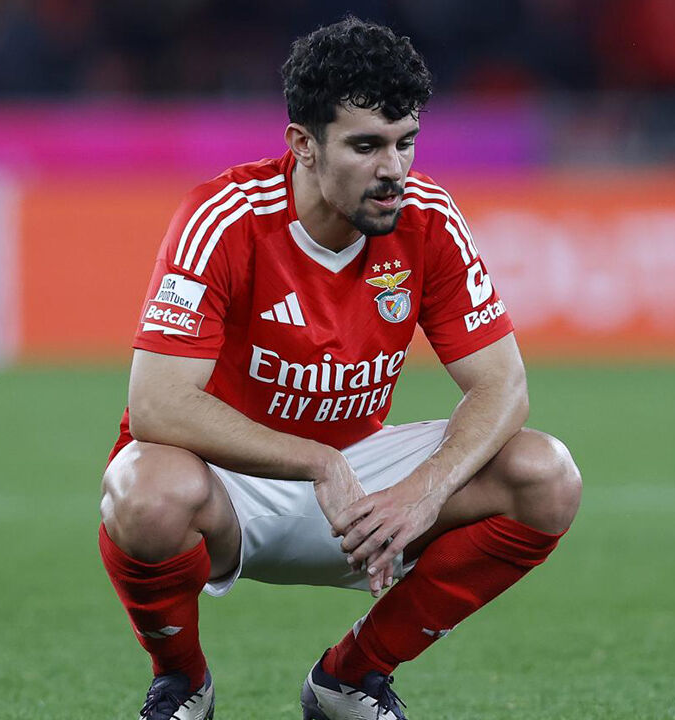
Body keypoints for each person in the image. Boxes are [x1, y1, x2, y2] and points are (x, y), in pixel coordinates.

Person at [97, 16, 582, 720]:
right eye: (365, 145)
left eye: (405, 142)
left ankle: (350, 680)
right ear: (303, 144)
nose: (393, 170)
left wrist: (424, 489)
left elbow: (503, 385)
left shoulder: (429, 218)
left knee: (546, 474)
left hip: (364, 482)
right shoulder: (224, 218)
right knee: (143, 490)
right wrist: (317, 462)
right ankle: (182, 684)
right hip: (233, 482)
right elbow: (157, 405)